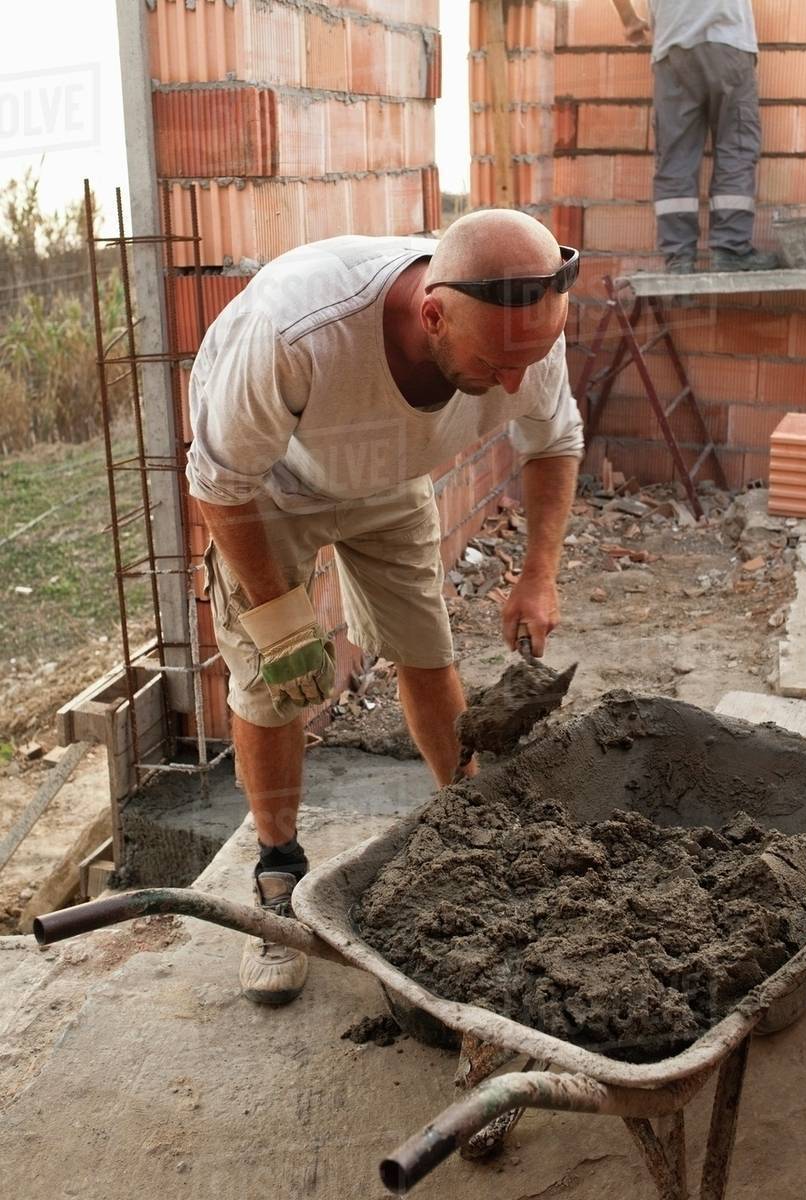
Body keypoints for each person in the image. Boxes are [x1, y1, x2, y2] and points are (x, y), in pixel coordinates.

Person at [187, 209, 584, 1006]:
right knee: (273, 686)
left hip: (387, 482)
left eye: (530, 360)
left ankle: (469, 826)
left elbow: (552, 442)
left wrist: (539, 572)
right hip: (266, 490)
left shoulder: (523, 328)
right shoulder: (295, 329)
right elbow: (218, 482)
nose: (515, 384)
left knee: (426, 649)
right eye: (498, 364)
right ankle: (276, 869)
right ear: (433, 314)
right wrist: (277, 616)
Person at [611, 0, 777, 273]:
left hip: (673, 48)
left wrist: (630, 20)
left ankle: (679, 259)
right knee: (736, 148)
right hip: (729, 40)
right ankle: (731, 250)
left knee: (675, 157)